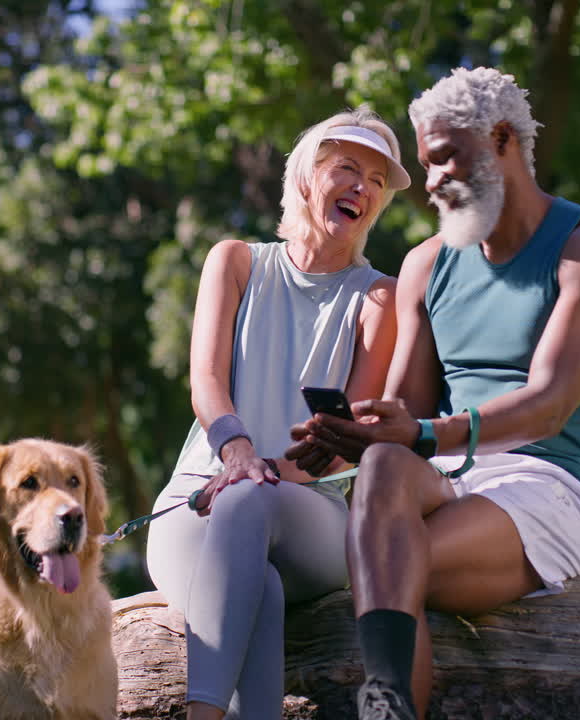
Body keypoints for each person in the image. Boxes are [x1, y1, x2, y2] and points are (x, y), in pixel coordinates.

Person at [287, 67, 580, 720]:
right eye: (427, 165)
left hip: (545, 485)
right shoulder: (428, 263)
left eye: (445, 157)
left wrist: (419, 435)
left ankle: (387, 701)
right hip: (445, 477)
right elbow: (404, 418)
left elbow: (548, 406)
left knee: (390, 562)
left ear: (502, 140)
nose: (435, 181)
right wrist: (355, 433)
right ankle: (387, 704)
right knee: (384, 470)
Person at [145, 107, 411, 720]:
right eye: (347, 168)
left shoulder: (379, 299)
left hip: (310, 512)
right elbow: (206, 383)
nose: (363, 188)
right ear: (304, 177)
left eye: (376, 180)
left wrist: (264, 474)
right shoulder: (235, 261)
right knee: (255, 589)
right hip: (196, 502)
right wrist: (236, 451)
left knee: (249, 501)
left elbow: (345, 444)